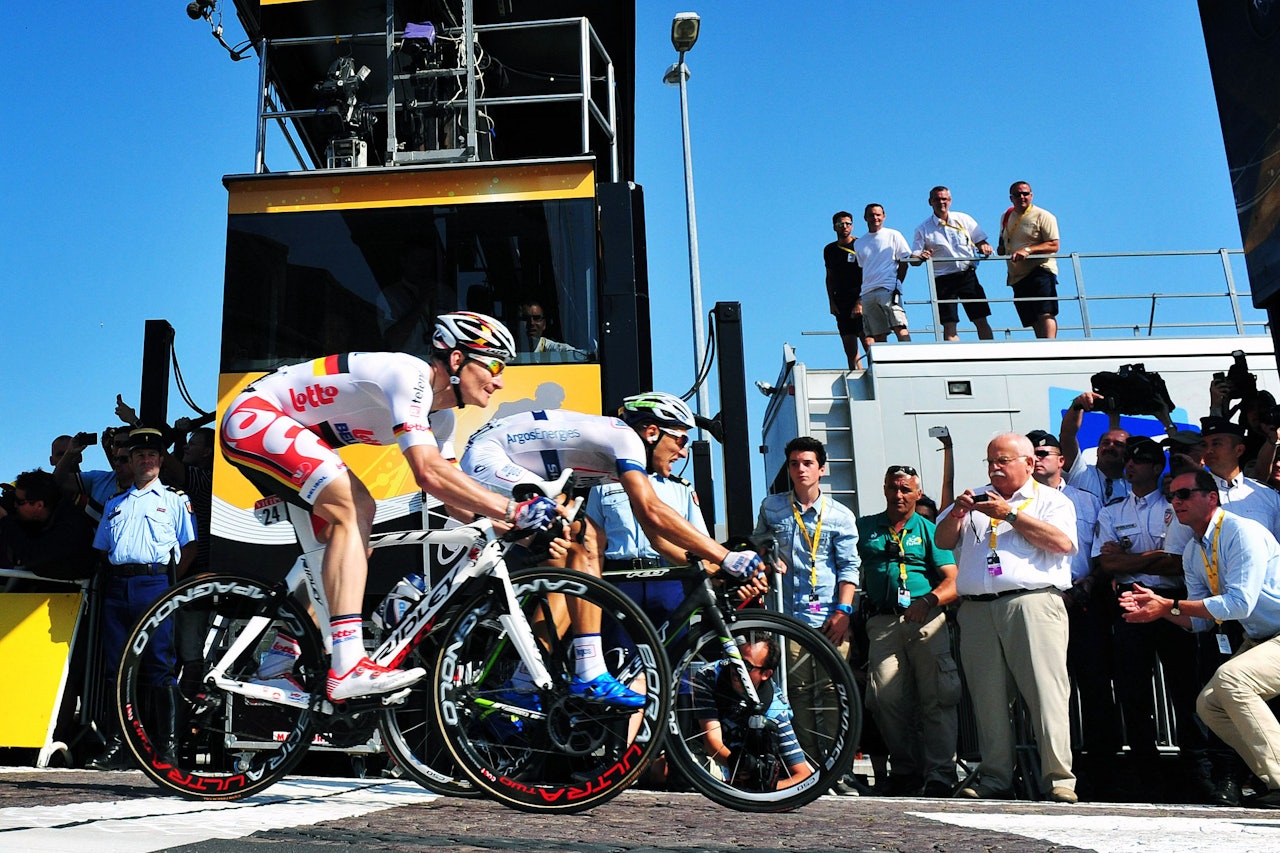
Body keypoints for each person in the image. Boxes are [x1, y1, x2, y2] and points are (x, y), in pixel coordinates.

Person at [220, 312, 562, 703]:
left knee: (350, 546)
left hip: (286, 431)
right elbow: (428, 474)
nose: (500, 381)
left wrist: (508, 530)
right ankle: (347, 666)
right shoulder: (409, 375)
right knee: (356, 507)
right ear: (456, 360)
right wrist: (511, 509)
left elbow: (451, 495)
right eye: (495, 365)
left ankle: (276, 663)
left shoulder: (443, 419)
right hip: (255, 417)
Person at [459, 392, 766, 707]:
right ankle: (583, 672)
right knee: (586, 538)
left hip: (506, 457)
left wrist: (716, 571)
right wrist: (726, 556)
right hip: (490, 457)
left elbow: (657, 536)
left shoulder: (624, 454)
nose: (683, 453)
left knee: (582, 549)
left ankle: (526, 682)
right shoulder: (626, 439)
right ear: (651, 431)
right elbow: (652, 511)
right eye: (680, 440)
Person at [1120, 468, 1280, 809]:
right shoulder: (1194, 550)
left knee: (1232, 680)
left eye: (1184, 494)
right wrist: (1159, 610)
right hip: (1263, 637)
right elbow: (1200, 624)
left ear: (1211, 497)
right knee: (1209, 704)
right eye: (1172, 496)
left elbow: (1239, 604)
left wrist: (1171, 603)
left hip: (1273, 634)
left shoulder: (1242, 532)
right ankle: (1271, 777)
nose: (1176, 502)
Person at [934, 433, 1079, 803]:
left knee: (1046, 694)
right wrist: (959, 511)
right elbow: (943, 540)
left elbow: (1062, 544)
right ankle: (996, 776)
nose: (994, 468)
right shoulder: (977, 498)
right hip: (979, 608)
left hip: (1032, 603)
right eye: (990, 461)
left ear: (1028, 464)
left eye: (1003, 461)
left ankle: (1059, 778)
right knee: (988, 698)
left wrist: (1011, 514)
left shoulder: (1052, 500)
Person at [1095, 438, 1207, 799]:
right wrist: (1151, 556)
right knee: (1134, 692)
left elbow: (1178, 561)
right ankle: (1147, 777)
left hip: (1174, 598)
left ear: (1157, 467)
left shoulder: (1175, 507)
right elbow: (1105, 563)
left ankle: (1198, 772)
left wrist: (1132, 559)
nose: (1130, 466)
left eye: (1140, 461)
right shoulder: (1112, 511)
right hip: (1131, 602)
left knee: (1185, 689)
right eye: (1128, 460)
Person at [86, 427, 197, 771]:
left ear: (161, 461)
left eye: (151, 455)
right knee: (115, 671)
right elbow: (102, 549)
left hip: (156, 584)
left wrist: (170, 584)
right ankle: (117, 745)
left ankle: (167, 750)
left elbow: (189, 545)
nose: (145, 460)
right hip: (120, 588)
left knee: (160, 669)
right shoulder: (114, 504)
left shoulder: (175, 500)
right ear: (130, 462)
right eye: (138, 456)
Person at [855, 464, 960, 797]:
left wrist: (928, 601)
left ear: (917, 492)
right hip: (882, 622)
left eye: (905, 489)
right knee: (884, 698)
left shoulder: (930, 529)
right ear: (884, 489)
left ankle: (941, 774)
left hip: (924, 620)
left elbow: (953, 581)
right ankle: (906, 769)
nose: (898, 495)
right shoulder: (866, 527)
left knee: (937, 698)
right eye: (892, 488)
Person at [1026, 429, 1121, 793]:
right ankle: (1053, 767)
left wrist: (1090, 584)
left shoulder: (1087, 499)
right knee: (1047, 689)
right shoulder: (1019, 502)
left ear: (1062, 459)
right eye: (1032, 453)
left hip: (1085, 601)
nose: (1039, 459)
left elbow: (1101, 551)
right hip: (1041, 601)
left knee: (1095, 684)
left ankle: (1103, 770)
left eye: (1046, 452)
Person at [690, 633, 814, 792]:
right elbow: (712, 741)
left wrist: (768, 788)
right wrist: (741, 765)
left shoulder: (775, 709)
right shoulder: (709, 675)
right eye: (735, 660)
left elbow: (803, 774)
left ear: (765, 674)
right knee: (665, 771)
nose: (736, 669)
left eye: (746, 666)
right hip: (716, 759)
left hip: (749, 772)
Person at [910, 186, 995, 341]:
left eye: (944, 199)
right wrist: (922, 256)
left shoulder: (964, 219)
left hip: (967, 275)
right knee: (949, 324)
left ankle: (991, 357)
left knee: (980, 319)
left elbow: (980, 241)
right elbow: (914, 259)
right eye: (937, 199)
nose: (941, 202)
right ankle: (955, 361)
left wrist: (984, 247)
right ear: (930, 202)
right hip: (943, 279)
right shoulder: (922, 229)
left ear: (950, 200)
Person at [0, 469, 96, 580]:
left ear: (39, 505)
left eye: (19, 502)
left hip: (64, 591)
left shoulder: (70, 529)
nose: (15, 505)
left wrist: (4, 520)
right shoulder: (52, 510)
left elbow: (32, 557)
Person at [997, 181, 1060, 339]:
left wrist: (1028, 250)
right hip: (1017, 276)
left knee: (1045, 312)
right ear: (1011, 198)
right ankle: (1041, 348)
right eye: (1018, 194)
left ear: (1032, 195)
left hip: (1040, 269)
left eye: (1026, 193)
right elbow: (1003, 238)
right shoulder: (1006, 216)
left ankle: (1050, 348)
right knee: (1031, 318)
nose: (1022, 197)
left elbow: (1054, 245)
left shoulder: (1043, 215)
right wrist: (1001, 248)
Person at [1059, 392, 1131, 507]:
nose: (1110, 446)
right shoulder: (1080, 472)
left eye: (1118, 444)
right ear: (1097, 450)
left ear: (1128, 453)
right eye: (1105, 443)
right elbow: (1067, 435)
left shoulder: (1133, 487)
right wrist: (1077, 406)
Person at [853, 204, 912, 343]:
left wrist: (896, 284)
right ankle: (885, 363)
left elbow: (904, 262)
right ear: (865, 218)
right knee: (877, 334)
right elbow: (863, 267)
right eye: (872, 215)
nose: (875, 218)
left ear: (884, 216)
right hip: (868, 292)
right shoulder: (859, 243)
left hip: (888, 289)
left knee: (899, 326)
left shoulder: (893, 235)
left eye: (878, 214)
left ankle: (909, 359)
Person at [823, 210, 867, 369]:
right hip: (841, 300)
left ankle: (876, 376)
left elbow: (868, 274)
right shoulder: (829, 250)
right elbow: (829, 277)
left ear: (852, 226)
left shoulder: (861, 244)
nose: (844, 227)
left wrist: (860, 301)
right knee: (849, 347)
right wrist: (831, 302)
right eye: (841, 224)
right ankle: (856, 378)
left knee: (868, 342)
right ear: (834, 227)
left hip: (861, 297)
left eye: (848, 224)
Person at [519, 300, 588, 361]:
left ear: (544, 324)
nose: (531, 323)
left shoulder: (549, 347)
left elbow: (568, 351)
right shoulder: (511, 349)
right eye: (525, 318)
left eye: (537, 318)